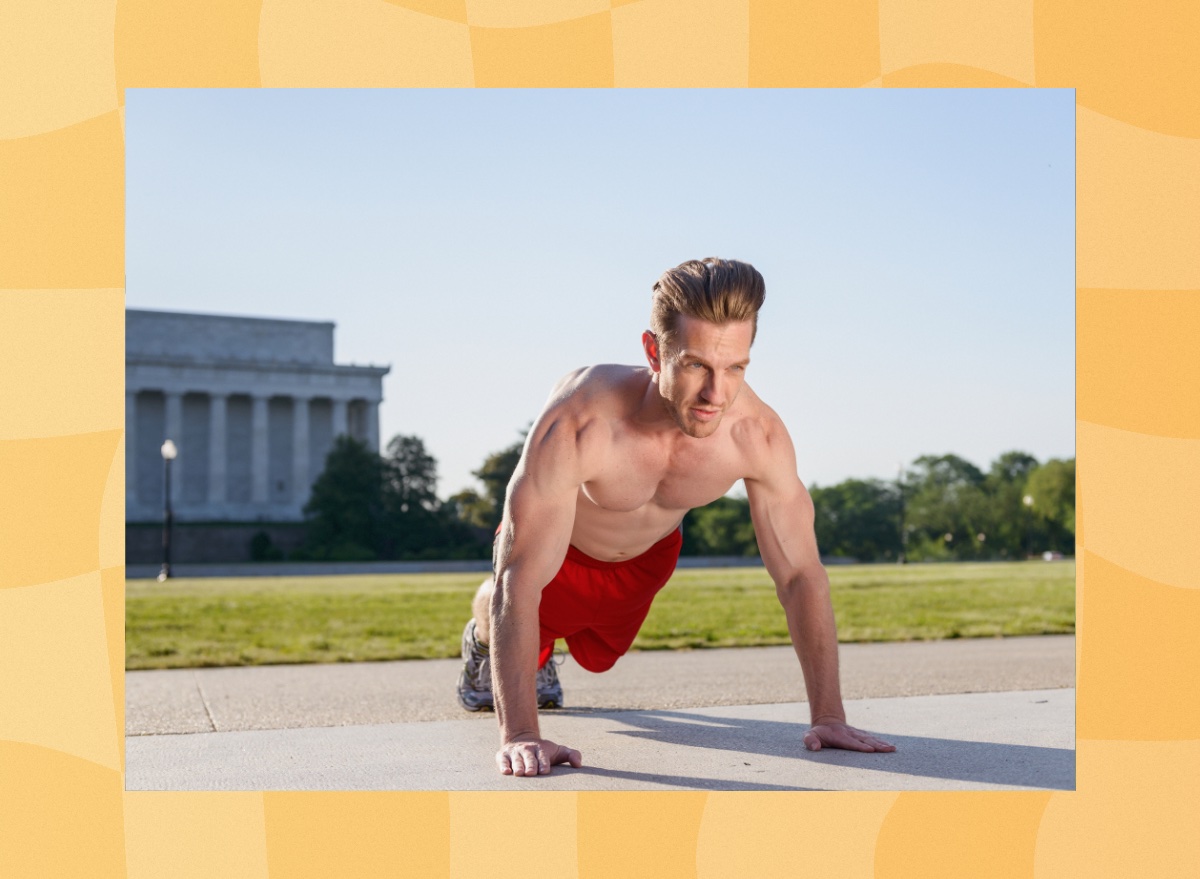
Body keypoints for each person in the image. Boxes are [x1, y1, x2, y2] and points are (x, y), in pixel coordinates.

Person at [457, 257, 896, 776]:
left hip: (646, 560)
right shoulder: (582, 418)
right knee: (511, 602)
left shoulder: (757, 436)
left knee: (600, 657)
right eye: (695, 365)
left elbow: (801, 574)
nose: (716, 394)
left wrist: (829, 716)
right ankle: (484, 640)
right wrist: (522, 734)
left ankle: (540, 655)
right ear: (653, 352)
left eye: (734, 367)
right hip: (559, 548)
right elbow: (521, 576)